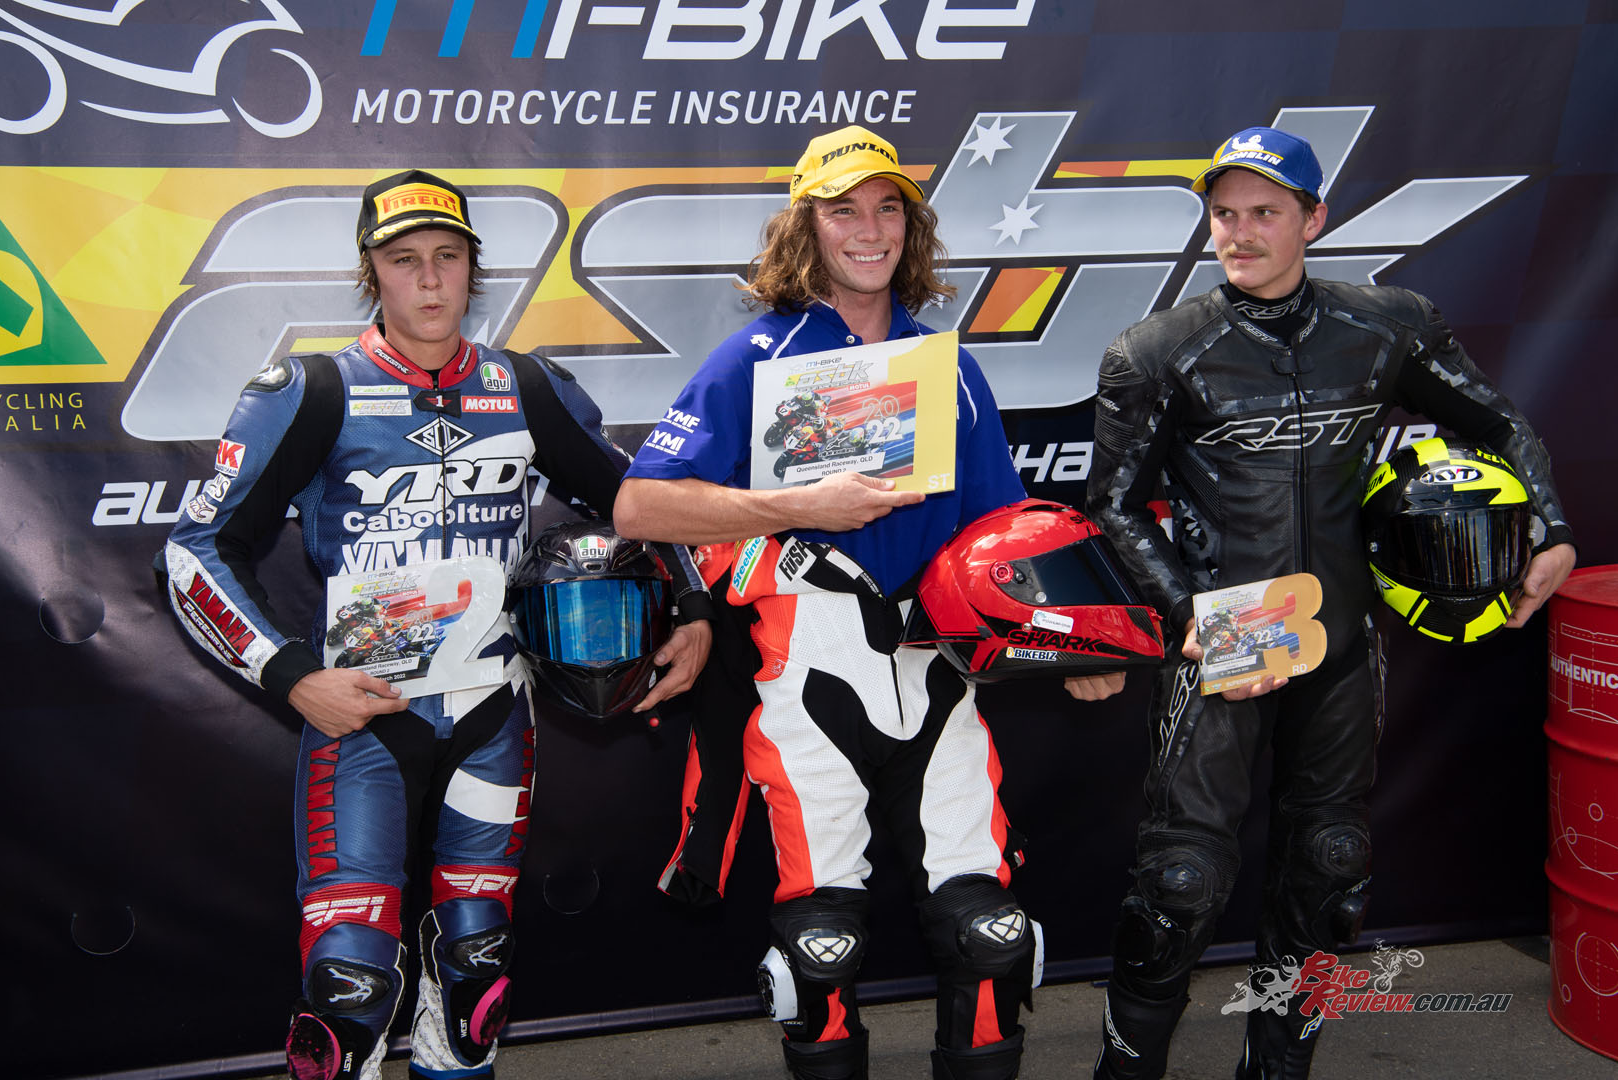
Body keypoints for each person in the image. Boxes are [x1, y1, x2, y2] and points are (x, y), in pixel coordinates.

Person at [157, 170, 712, 1080]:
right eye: (404, 259)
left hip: (495, 715)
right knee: (347, 989)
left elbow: (641, 504)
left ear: (472, 271)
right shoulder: (314, 388)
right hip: (365, 719)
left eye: (447, 257)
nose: (428, 279)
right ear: (370, 271)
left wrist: (691, 607)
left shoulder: (525, 385)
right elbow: (194, 553)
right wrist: (293, 677)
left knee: (476, 973)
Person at [1078, 126, 1577, 1078]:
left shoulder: (1387, 325)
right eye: (1225, 214)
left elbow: (1500, 424)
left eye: (1264, 212)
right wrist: (1186, 613)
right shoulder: (1157, 349)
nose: (1240, 232)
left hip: (1345, 642)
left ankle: (1279, 1070)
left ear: (1313, 218)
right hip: (1226, 639)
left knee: (1330, 868)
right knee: (1179, 885)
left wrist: (1550, 528)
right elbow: (1110, 504)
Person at [614, 125, 1089, 1080]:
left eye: (887, 209)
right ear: (807, 227)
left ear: (911, 229)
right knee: (819, 945)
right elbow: (640, 506)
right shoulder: (757, 355)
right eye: (843, 211)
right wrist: (797, 506)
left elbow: (1007, 531)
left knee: (990, 932)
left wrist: (1075, 643)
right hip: (806, 663)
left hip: (938, 668)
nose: (869, 230)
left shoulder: (946, 363)